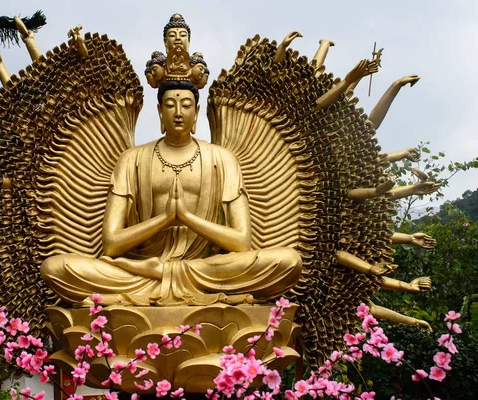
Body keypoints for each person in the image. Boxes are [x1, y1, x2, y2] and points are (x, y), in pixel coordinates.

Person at [41, 80, 302, 306]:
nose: (178, 112)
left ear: (197, 112)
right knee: (55, 268)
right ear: (159, 111)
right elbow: (110, 244)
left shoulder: (223, 159)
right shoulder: (131, 159)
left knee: (288, 262)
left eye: (186, 105)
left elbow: (242, 242)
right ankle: (157, 276)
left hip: (203, 270)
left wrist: (186, 217)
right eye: (170, 105)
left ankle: (161, 277)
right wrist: (165, 219)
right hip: (140, 271)